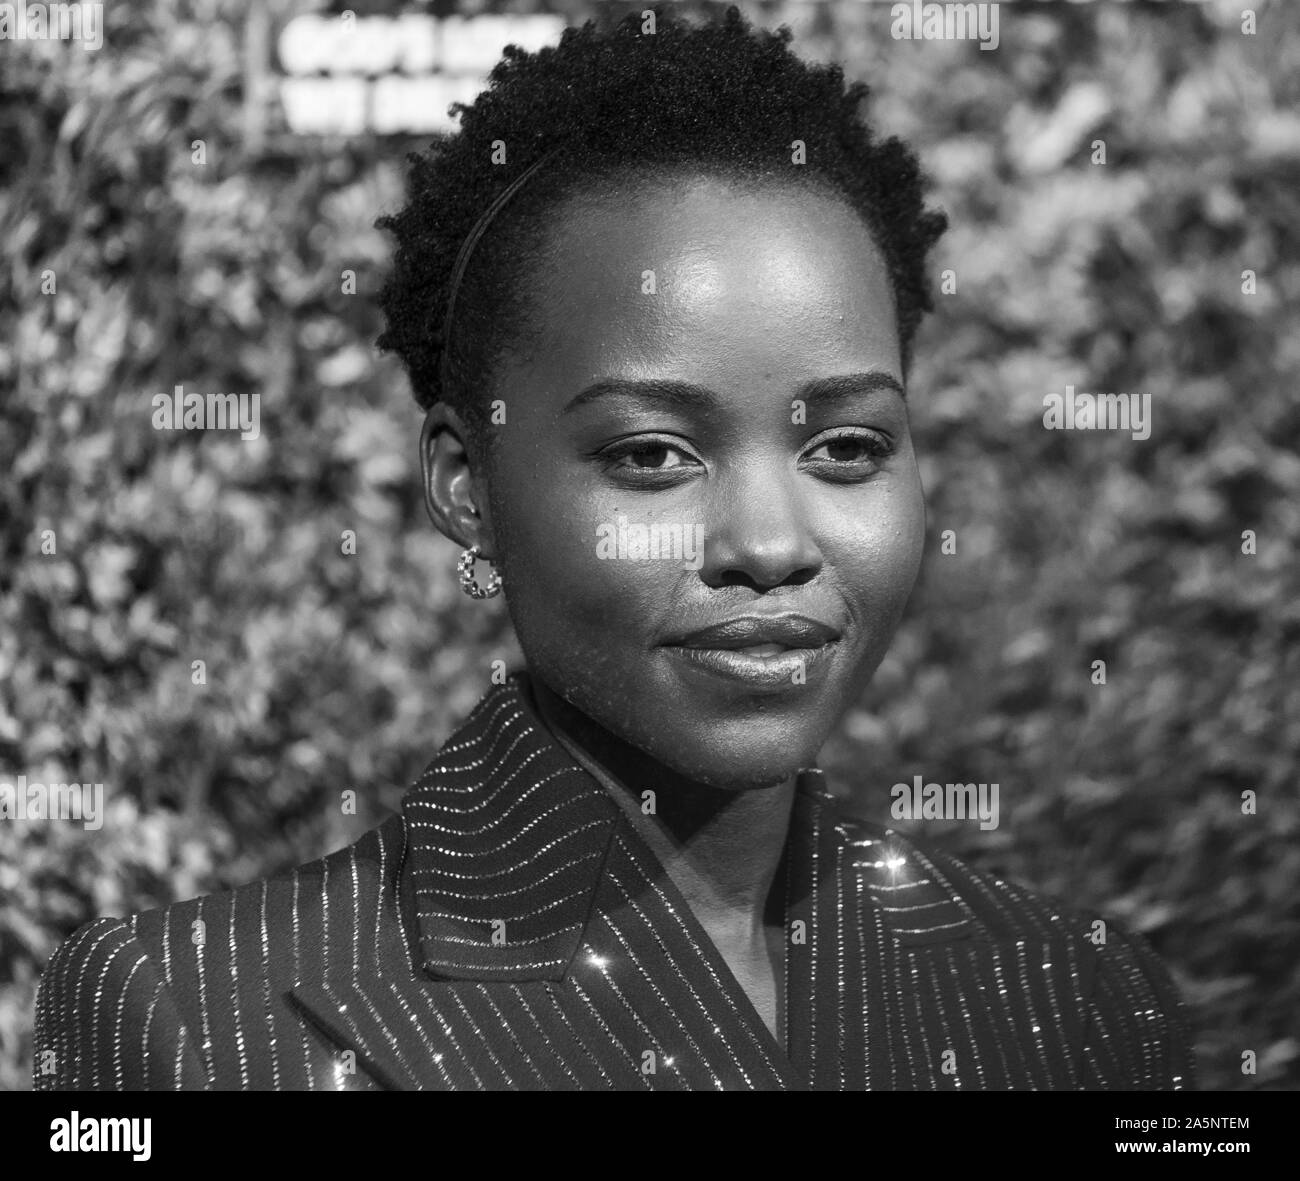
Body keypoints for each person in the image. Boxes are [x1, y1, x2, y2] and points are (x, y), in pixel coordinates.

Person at [34, 8, 1195, 1091]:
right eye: (650, 456)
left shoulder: (1079, 999)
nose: (767, 543)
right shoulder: (191, 1014)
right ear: (463, 483)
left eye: (845, 446)